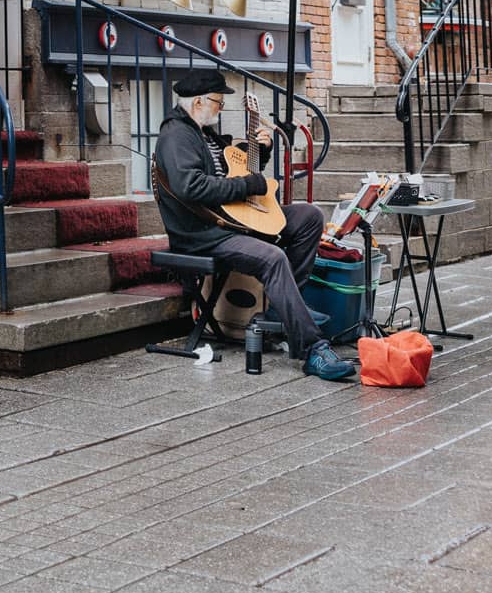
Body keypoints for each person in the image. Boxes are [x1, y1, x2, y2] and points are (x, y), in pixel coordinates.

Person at [152, 69, 356, 382]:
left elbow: (232, 172)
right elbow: (192, 187)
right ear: (197, 103)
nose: (220, 109)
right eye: (218, 103)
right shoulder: (176, 136)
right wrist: (251, 184)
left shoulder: (203, 132)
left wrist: (260, 151)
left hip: (229, 220)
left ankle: (280, 311)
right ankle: (313, 348)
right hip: (203, 233)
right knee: (272, 257)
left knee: (308, 218)